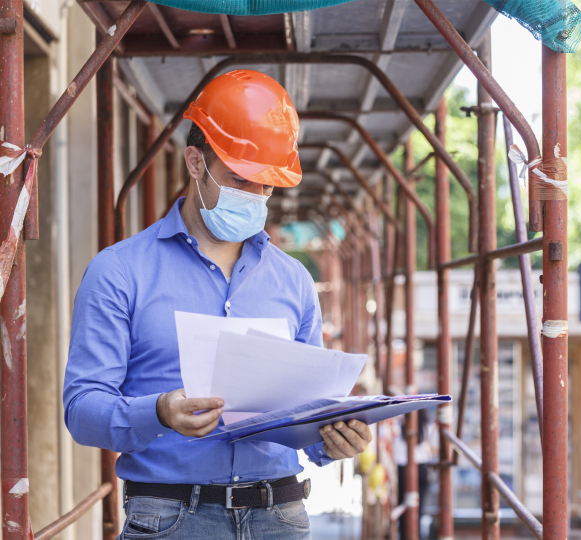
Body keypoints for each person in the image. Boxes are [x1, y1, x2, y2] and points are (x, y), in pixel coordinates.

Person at [63, 70, 372, 540]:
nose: (254, 197)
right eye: (239, 179)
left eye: (266, 186)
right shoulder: (119, 271)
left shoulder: (294, 281)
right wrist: (159, 412)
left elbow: (310, 413)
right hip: (171, 518)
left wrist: (336, 439)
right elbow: (83, 410)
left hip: (281, 516)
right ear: (194, 161)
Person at [394, 409, 438, 539]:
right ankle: (415, 536)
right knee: (418, 509)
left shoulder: (400, 426)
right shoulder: (427, 428)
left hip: (403, 468)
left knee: (404, 507)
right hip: (421, 468)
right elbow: (433, 450)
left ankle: (404, 536)